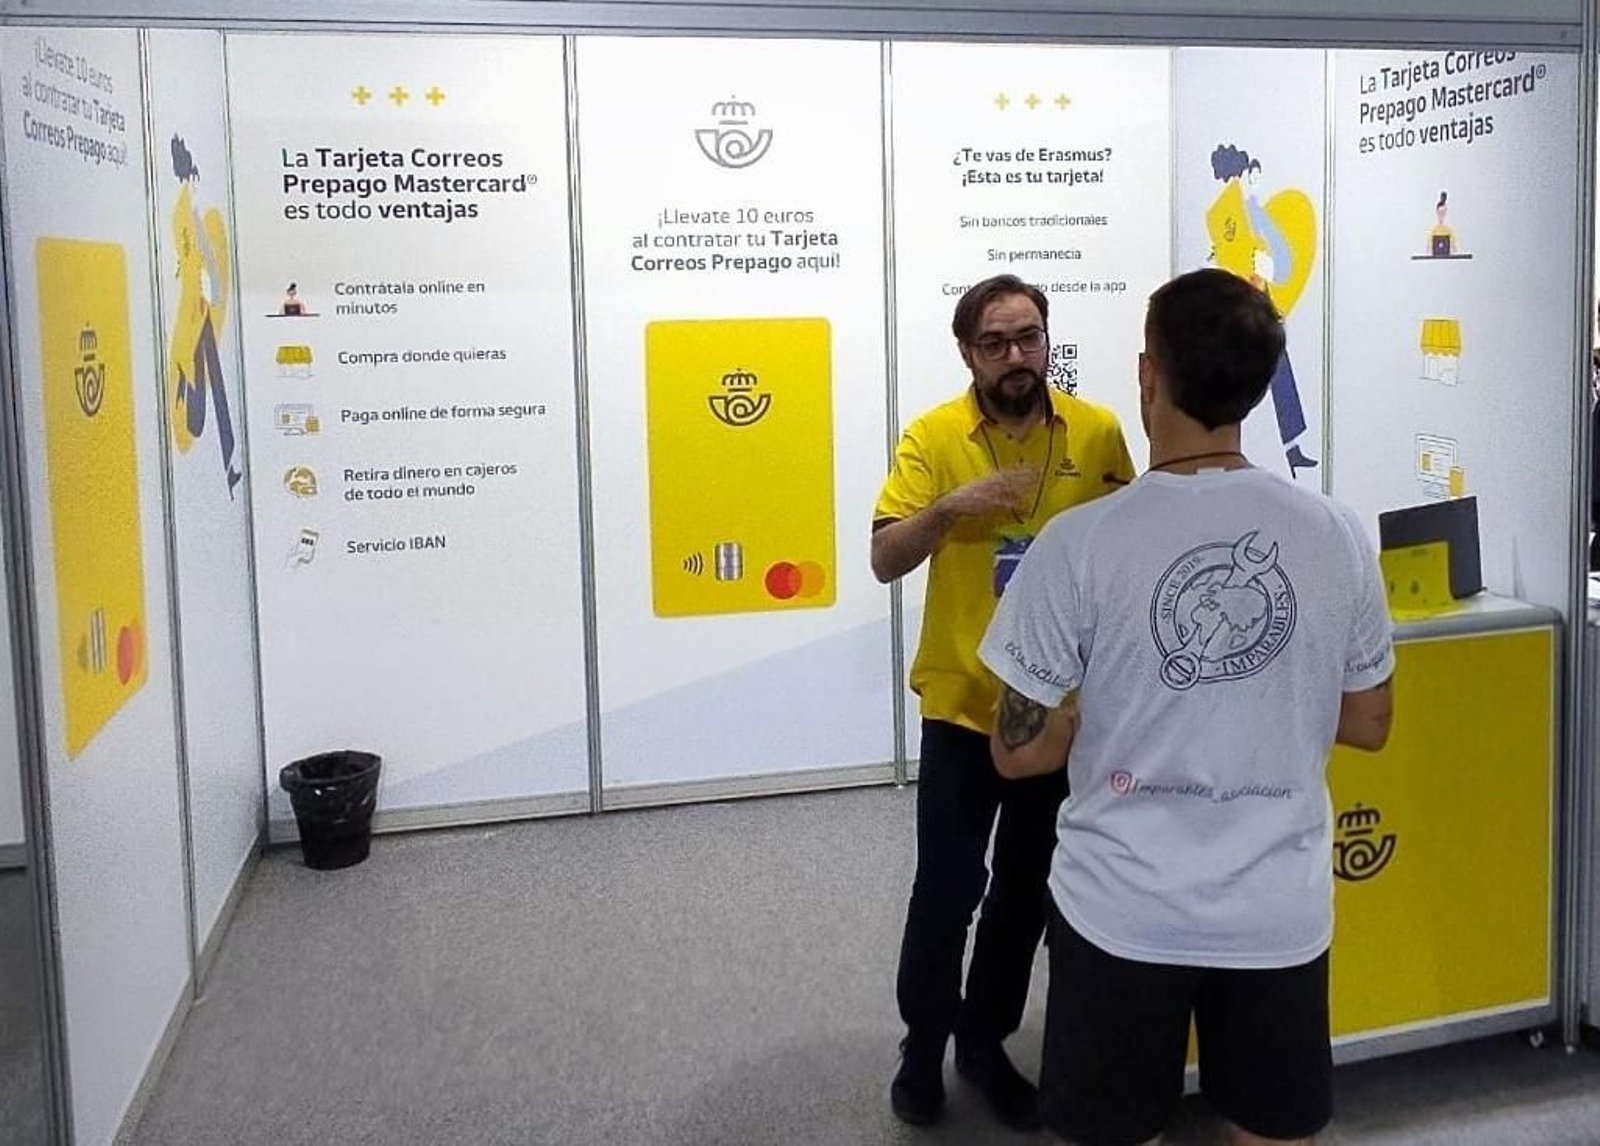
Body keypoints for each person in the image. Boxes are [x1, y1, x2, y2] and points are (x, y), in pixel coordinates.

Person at [978, 268, 1395, 1146]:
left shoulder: (1080, 542)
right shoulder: (1336, 534)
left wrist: (1102, 713)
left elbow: (1018, 752)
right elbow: (1368, 721)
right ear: (1252, 388)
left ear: (1146, 376)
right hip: (1276, 910)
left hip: (1119, 908)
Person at [873, 274, 1134, 1128]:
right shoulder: (934, 437)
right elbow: (883, 557)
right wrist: (949, 510)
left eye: (1029, 338)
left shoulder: (1095, 432)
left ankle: (984, 1043)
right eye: (996, 343)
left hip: (1055, 715)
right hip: (963, 707)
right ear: (967, 354)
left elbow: (1132, 545)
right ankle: (923, 1043)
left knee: (1026, 891)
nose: (1016, 357)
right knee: (948, 888)